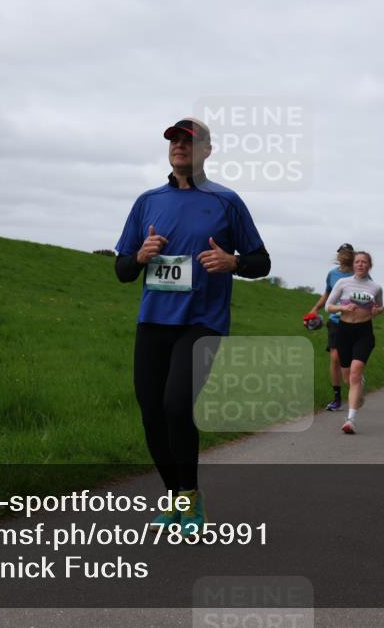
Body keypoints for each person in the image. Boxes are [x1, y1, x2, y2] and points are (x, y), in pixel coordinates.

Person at [114, 118, 270, 539]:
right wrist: (141, 257)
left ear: (207, 150)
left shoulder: (226, 201)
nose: (180, 146)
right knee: (151, 412)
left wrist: (234, 262)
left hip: (202, 321)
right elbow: (122, 269)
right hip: (153, 321)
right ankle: (175, 496)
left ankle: (190, 496)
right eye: (174, 141)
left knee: (176, 404)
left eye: (189, 140)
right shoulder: (148, 201)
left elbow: (261, 261)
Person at [325, 251, 383, 434]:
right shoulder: (343, 283)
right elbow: (328, 306)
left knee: (355, 373)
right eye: (357, 262)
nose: (360, 264)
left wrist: (376, 311)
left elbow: (380, 307)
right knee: (347, 377)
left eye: (364, 262)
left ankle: (350, 420)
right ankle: (359, 387)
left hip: (363, 332)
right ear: (353, 265)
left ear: (369, 265)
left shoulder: (376, 287)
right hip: (343, 331)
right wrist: (343, 307)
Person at [305, 243, 355, 411]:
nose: (344, 255)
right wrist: (315, 308)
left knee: (350, 362)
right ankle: (337, 398)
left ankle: (355, 389)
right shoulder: (332, 275)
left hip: (354, 321)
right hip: (335, 321)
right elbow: (327, 294)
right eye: (341, 252)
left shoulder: (359, 274)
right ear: (338, 255)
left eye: (348, 253)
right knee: (335, 358)